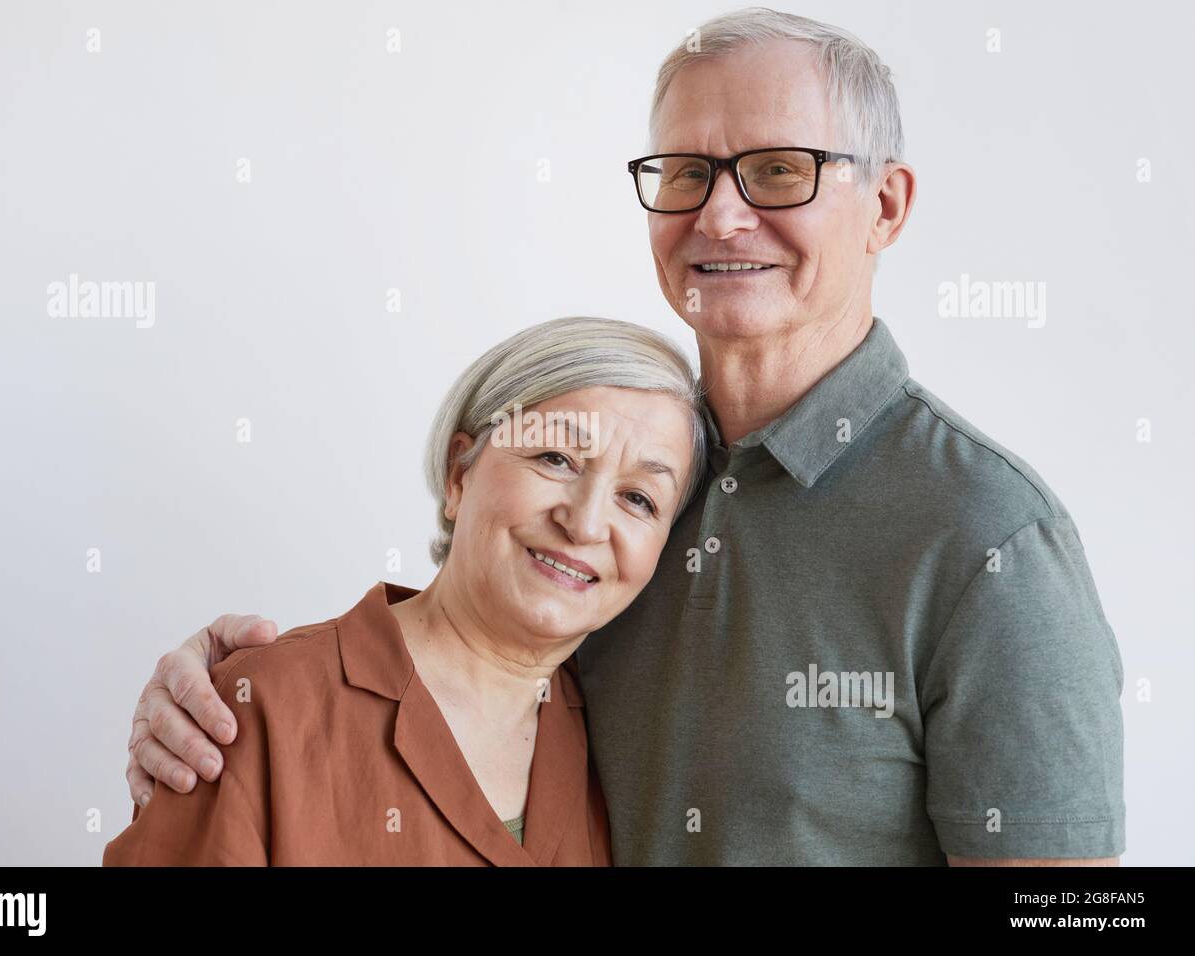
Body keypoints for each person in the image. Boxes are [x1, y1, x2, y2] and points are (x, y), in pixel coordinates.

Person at [119, 8, 1125, 866]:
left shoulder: (989, 537)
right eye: (687, 171)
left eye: (778, 170)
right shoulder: (639, 481)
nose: (722, 215)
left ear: (886, 206)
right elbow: (443, 676)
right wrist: (234, 707)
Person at [103, 317, 705, 865]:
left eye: (638, 500)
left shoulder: (625, 744)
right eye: (555, 457)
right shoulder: (252, 710)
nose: (586, 523)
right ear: (457, 473)